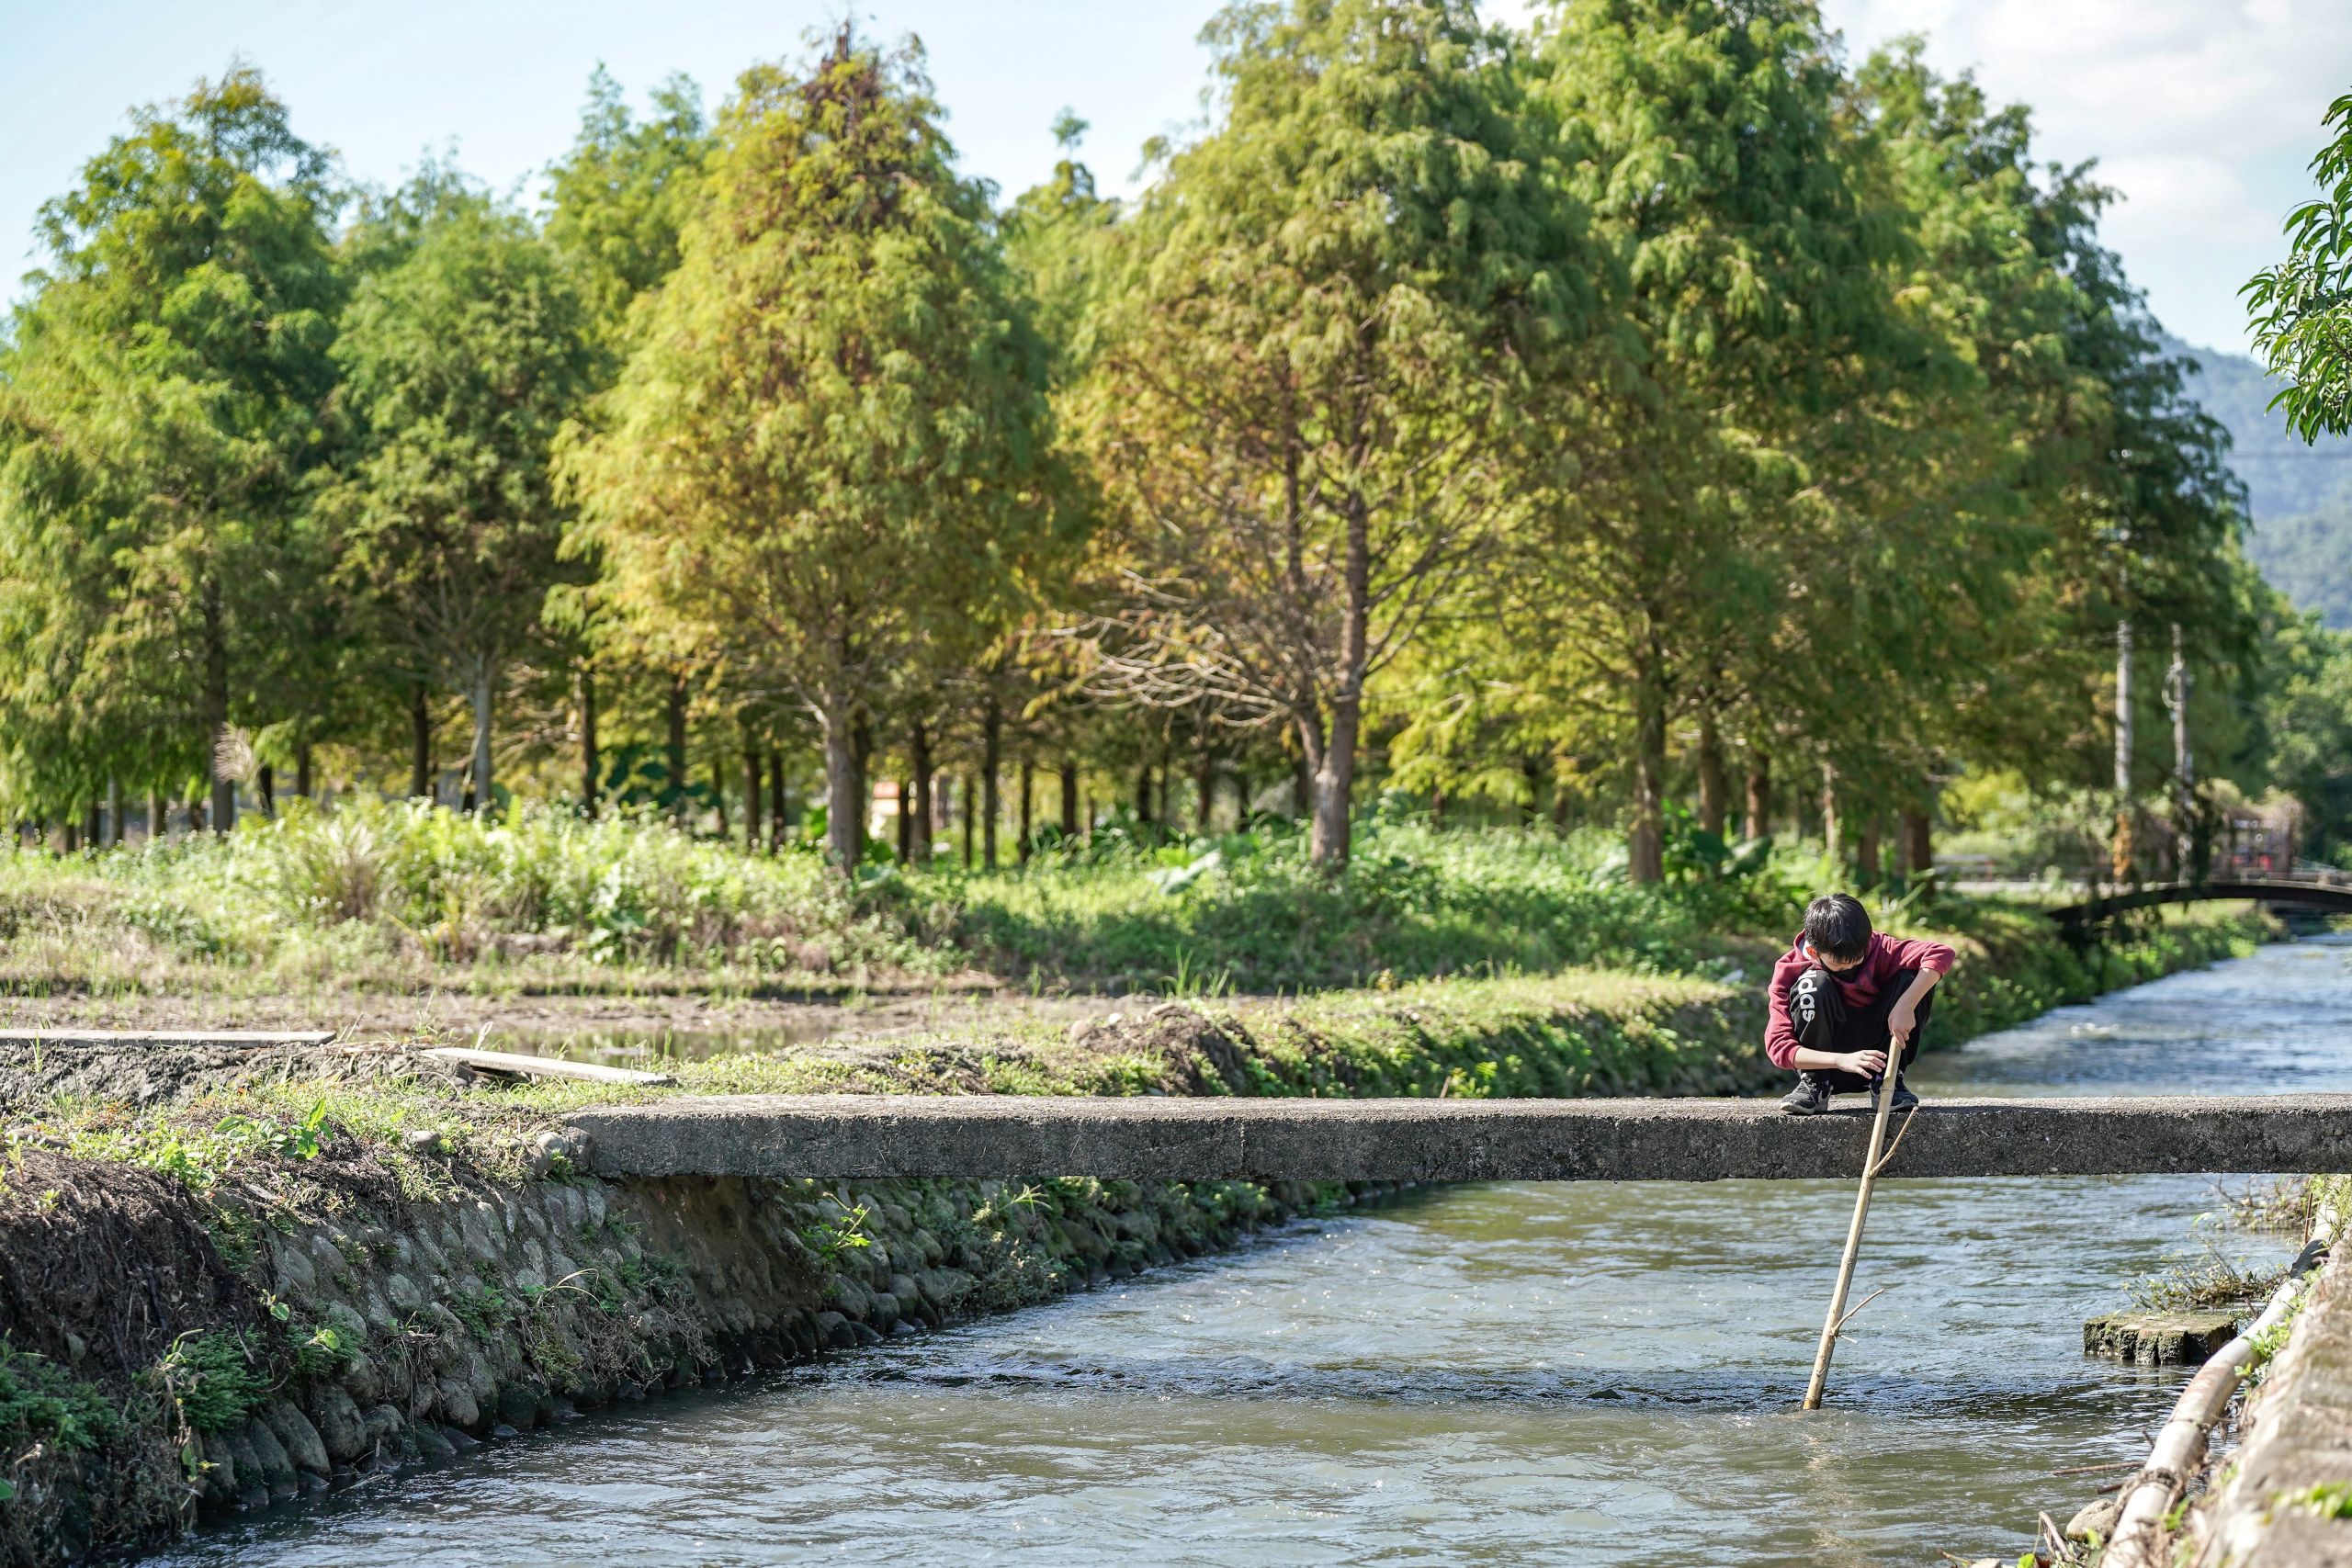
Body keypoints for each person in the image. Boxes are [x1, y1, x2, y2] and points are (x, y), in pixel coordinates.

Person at [1766, 892, 1955, 1116]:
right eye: (1839, 964)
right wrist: (1840, 1060)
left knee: (1911, 977)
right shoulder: (1789, 969)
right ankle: (1815, 1085)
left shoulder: (1880, 948)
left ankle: (1888, 1082)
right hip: (1827, 1061)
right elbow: (1779, 1048)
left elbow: (1942, 953)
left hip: (1879, 1058)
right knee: (1813, 983)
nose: (1849, 968)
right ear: (1814, 952)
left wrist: (1906, 1004)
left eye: (1858, 959)